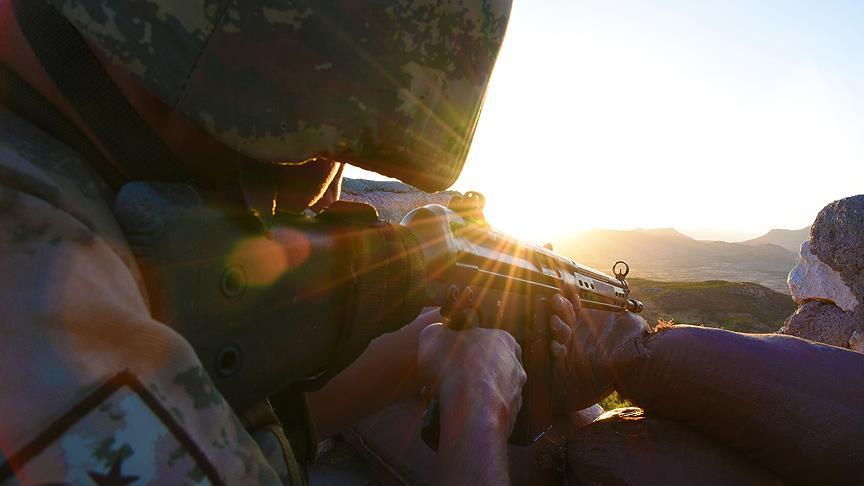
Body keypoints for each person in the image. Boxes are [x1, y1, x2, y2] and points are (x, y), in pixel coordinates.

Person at [0, 0, 565, 484]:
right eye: (332, 145)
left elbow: (233, 398)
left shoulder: (57, 171)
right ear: (248, 96)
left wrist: (433, 344)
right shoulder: (47, 310)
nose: (332, 187)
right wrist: (479, 406)